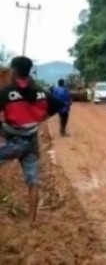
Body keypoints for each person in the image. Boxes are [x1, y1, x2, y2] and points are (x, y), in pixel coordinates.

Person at [0, 56, 64, 224]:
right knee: (33, 181)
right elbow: (58, 103)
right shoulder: (39, 91)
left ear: (13, 71)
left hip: (14, 140)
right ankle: (32, 220)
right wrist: (42, 117)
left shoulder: (6, 92)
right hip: (31, 140)